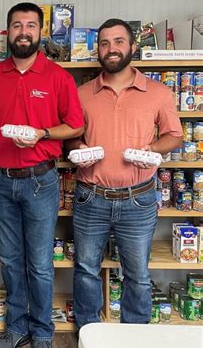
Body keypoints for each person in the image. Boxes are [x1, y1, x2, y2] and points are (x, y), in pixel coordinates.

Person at [0, 2, 84, 348]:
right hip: (2, 183)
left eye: (31, 25)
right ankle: (15, 328)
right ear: (8, 32)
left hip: (41, 181)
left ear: (40, 32)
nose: (24, 31)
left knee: (39, 264)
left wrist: (42, 134)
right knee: (9, 260)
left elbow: (76, 126)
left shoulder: (57, 77)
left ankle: (42, 334)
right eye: (17, 25)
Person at [68, 18, 182, 329]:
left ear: (132, 47)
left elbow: (174, 135)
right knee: (86, 270)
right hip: (91, 196)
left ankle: (135, 338)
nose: (111, 49)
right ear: (98, 51)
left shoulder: (158, 92)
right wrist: (80, 147)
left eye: (118, 42)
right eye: (104, 43)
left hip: (139, 199)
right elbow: (71, 135)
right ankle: (88, 333)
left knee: (138, 275)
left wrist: (153, 148)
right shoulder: (81, 93)